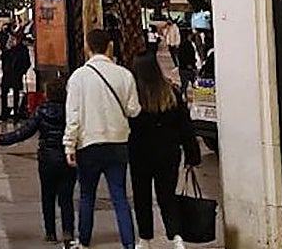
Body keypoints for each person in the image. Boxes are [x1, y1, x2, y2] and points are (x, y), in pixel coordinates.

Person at [64, 29, 141, 249]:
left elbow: (73, 115)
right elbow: (133, 110)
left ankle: (84, 241)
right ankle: (129, 244)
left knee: (87, 195)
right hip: (117, 143)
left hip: (89, 144)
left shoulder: (78, 77)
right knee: (119, 196)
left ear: (87, 47)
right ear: (110, 47)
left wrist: (69, 144)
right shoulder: (124, 75)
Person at [130, 53, 199, 249]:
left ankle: (145, 239)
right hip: (168, 153)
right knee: (167, 195)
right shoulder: (171, 93)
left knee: (141, 196)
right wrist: (192, 153)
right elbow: (185, 126)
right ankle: (176, 236)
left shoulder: (134, 97)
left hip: (140, 153)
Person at [0, 79, 76, 245]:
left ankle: (50, 232)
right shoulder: (71, 111)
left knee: (47, 196)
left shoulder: (41, 111)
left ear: (47, 94)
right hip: (67, 157)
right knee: (66, 197)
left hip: (47, 158)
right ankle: (68, 231)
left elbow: (24, 132)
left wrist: (1, 139)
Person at [0, 32, 31, 121]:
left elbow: (27, 63)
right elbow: (2, 57)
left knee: (16, 94)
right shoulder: (8, 48)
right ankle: (4, 113)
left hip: (16, 74)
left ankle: (16, 113)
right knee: (3, 93)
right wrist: (7, 49)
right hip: (7, 74)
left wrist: (22, 72)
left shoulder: (23, 50)